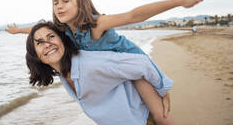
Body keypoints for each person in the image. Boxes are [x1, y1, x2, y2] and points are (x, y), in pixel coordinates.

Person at [6, 0, 217, 124]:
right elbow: (39, 30)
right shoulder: (63, 31)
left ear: (82, 2)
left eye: (65, 0)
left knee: (161, 116)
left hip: (135, 65)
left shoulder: (96, 24)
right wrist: (18, 31)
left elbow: (135, 15)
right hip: (116, 71)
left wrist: (181, 2)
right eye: (55, 2)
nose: (59, 6)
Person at [26, 21, 174, 125]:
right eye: (39, 42)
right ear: (35, 54)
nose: (47, 44)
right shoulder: (64, 73)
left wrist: (163, 90)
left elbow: (142, 64)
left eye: (51, 36)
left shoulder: (88, 63)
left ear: (62, 40)